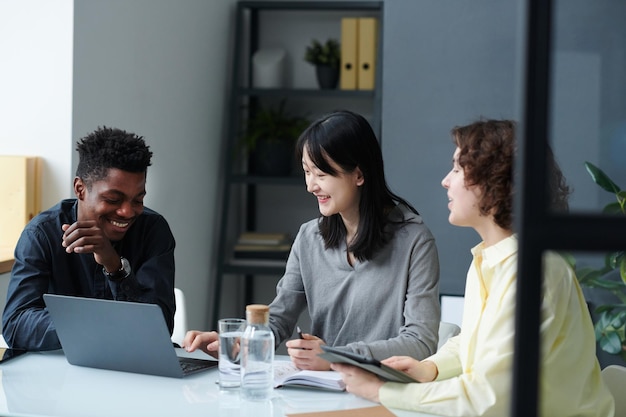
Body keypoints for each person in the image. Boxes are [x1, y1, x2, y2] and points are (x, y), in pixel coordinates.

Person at [331, 119, 615, 416]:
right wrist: (430, 368)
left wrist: (382, 391)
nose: (446, 180)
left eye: (457, 168)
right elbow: (475, 343)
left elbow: (486, 397)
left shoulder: (533, 274)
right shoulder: (490, 260)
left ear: (494, 182)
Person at [184, 110, 441, 370]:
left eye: (321, 174)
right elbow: (278, 320)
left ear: (359, 175)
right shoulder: (309, 237)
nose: (311, 186)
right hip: (318, 387)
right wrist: (238, 342)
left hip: (382, 391)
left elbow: (421, 342)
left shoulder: (414, 242)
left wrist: (335, 357)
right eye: (307, 172)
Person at [2, 127, 176, 351]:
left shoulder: (153, 231)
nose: (127, 212)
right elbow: (16, 324)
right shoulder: (42, 234)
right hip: (61, 377)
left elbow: (159, 328)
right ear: (80, 188)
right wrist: (100, 327)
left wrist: (114, 265)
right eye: (113, 199)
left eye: (138, 200)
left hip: (134, 372)